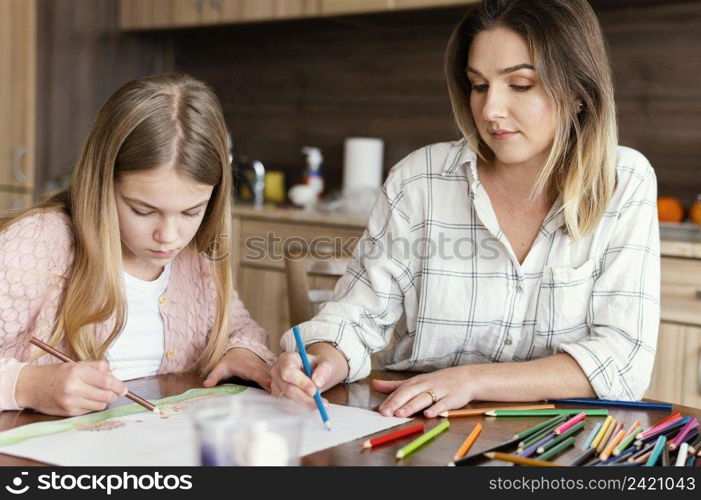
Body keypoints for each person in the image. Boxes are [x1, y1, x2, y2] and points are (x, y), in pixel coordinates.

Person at [271, 0, 660, 418]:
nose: (490, 110)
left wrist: (473, 380)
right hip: (419, 425)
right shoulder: (419, 179)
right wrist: (325, 357)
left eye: (521, 85)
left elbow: (623, 359)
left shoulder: (625, 180)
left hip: (557, 440)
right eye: (478, 85)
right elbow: (355, 315)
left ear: (579, 91)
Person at [0, 74, 274, 416]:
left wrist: (243, 352)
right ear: (101, 183)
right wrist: (26, 385)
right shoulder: (37, 243)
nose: (169, 236)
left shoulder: (197, 257)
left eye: (192, 211)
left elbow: (240, 329)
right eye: (143, 211)